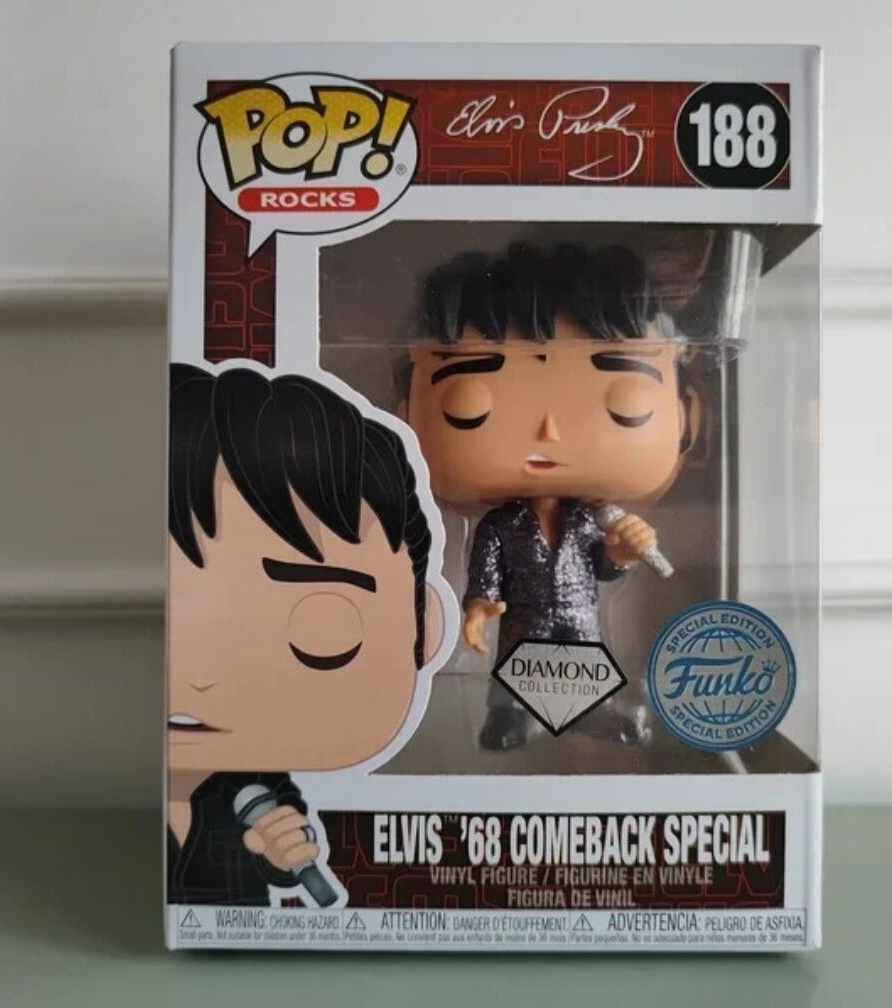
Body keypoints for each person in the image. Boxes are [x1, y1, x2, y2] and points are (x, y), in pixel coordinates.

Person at [167, 363, 443, 905]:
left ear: (424, 628)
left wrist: (281, 856)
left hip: (242, 928)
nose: (198, 678)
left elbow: (287, 849)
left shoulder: (256, 788)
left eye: (321, 635)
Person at [405, 244, 698, 750]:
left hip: (580, 616)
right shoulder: (500, 525)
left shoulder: (589, 520)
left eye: (624, 406)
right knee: (515, 668)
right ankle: (508, 716)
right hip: (524, 618)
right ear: (403, 415)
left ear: (689, 416)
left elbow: (603, 567)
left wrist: (621, 552)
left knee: (586, 663)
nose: (549, 431)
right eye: (470, 408)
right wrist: (478, 608)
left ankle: (587, 713)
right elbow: (486, 570)